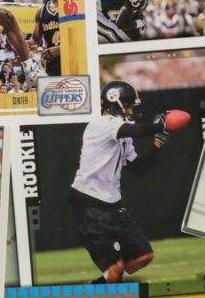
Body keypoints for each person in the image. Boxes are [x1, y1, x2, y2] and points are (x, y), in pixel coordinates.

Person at [70, 81, 187, 280]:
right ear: (115, 103)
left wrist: (157, 144)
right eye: (129, 105)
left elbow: (137, 168)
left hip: (112, 204)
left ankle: (100, 285)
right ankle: (100, 291)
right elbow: (139, 130)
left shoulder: (122, 132)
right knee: (115, 270)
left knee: (144, 256)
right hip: (89, 202)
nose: (132, 111)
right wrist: (160, 123)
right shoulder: (102, 124)